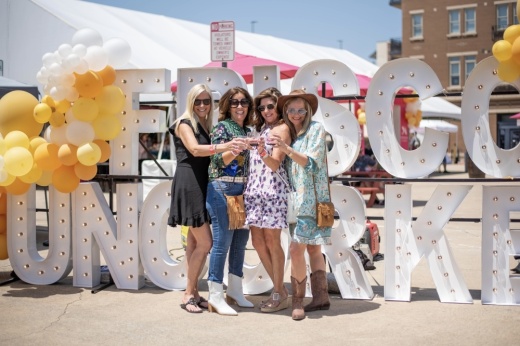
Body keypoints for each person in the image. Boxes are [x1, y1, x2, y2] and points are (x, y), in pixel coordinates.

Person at [167, 84, 239, 313]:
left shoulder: (204, 125)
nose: (202, 105)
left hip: (202, 183)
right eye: (198, 101)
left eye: (206, 101)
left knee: (195, 243)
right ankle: (188, 294)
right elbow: (195, 150)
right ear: (190, 101)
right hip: (189, 184)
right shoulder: (184, 123)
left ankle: (194, 293)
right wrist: (226, 145)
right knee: (206, 242)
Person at [269, 90, 331, 321]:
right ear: (286, 111)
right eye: (291, 110)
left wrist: (286, 149)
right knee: (314, 248)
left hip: (312, 201)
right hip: (297, 202)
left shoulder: (316, 130)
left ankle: (298, 301)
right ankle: (321, 297)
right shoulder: (291, 133)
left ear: (308, 111)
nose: (296, 114)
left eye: (300, 110)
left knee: (296, 249)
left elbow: (311, 164)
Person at [206, 86, 254, 316]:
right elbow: (219, 161)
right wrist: (236, 148)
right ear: (227, 105)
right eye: (234, 102)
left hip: (242, 189)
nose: (239, 106)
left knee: (240, 242)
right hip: (222, 187)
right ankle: (215, 294)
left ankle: (235, 289)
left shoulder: (248, 129)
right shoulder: (222, 127)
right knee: (222, 242)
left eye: (244, 102)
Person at [243, 87, 291, 313]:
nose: (265, 111)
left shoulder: (282, 129)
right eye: (261, 107)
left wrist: (261, 149)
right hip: (254, 191)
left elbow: (274, 164)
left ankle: (278, 292)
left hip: (272, 191)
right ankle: (280, 290)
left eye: (270, 106)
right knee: (258, 242)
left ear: (279, 106)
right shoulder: (262, 129)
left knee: (273, 242)